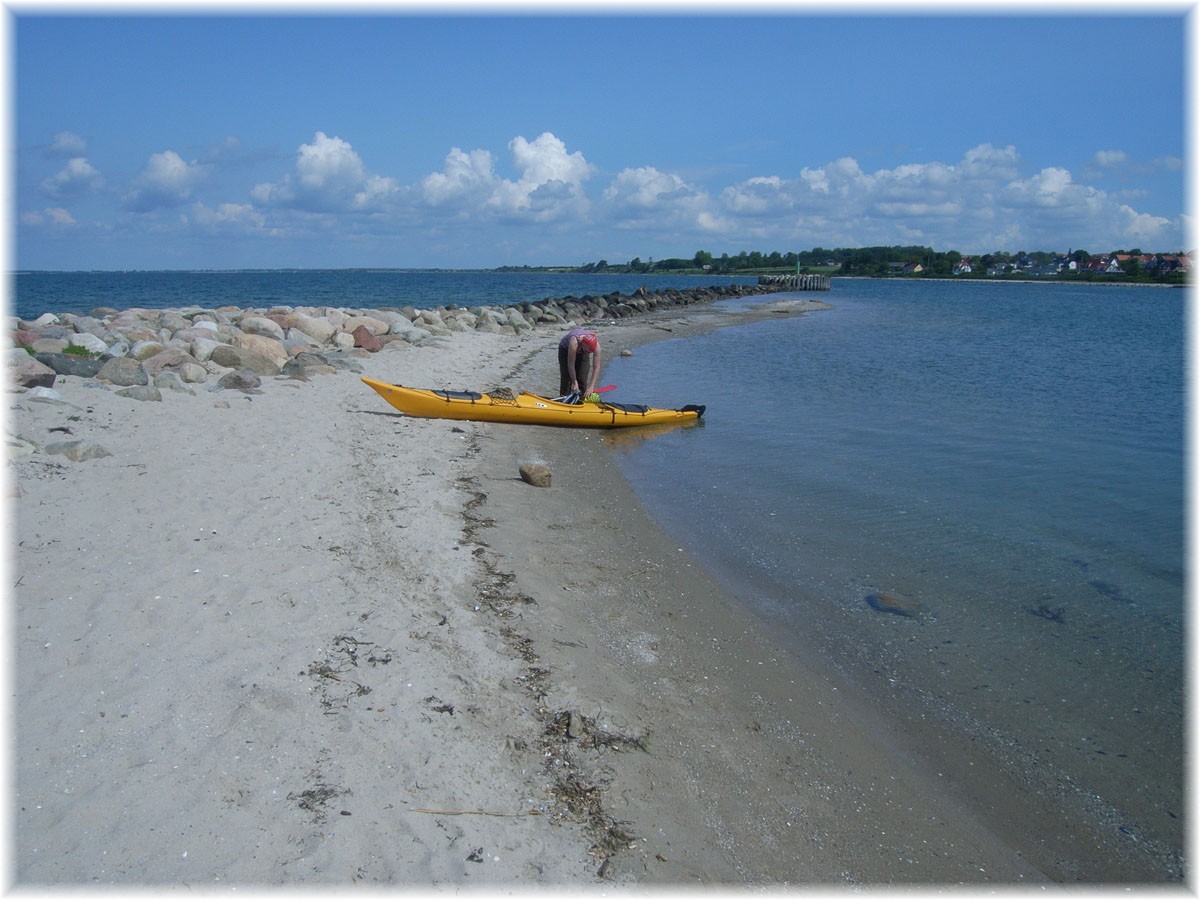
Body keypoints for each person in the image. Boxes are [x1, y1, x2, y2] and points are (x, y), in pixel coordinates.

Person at [558, 328, 601, 398]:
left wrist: (591, 386)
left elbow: (596, 367)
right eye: (583, 350)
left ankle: (581, 399)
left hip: (583, 349)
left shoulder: (596, 346)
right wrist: (574, 382)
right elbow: (570, 365)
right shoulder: (574, 342)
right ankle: (564, 398)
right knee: (567, 379)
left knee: (582, 378)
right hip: (565, 349)